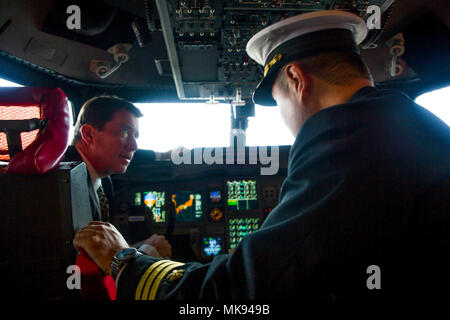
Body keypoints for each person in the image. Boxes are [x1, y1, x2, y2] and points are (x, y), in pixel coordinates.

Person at [73, 11, 450, 300]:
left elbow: (244, 293)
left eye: (279, 101)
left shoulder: (346, 136)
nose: (285, 119)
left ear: (297, 80)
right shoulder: (404, 122)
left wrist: (125, 261)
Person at [63, 95, 172, 258]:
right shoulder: (66, 185)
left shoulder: (104, 180)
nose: (134, 145)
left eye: (135, 136)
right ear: (88, 134)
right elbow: (85, 266)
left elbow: (102, 249)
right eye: (124, 132)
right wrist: (148, 252)